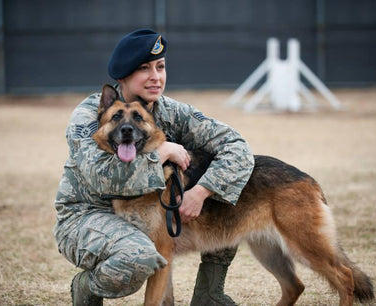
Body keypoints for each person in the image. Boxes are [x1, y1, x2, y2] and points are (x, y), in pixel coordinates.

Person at [53, 28, 254, 306]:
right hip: (87, 216)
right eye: (144, 69)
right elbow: (103, 178)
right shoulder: (90, 115)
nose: (156, 77)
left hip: (147, 210)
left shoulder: (171, 110)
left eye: (160, 67)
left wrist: (204, 191)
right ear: (122, 76)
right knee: (139, 255)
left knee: (230, 191)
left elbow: (237, 147)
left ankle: (210, 295)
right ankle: (87, 286)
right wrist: (161, 152)